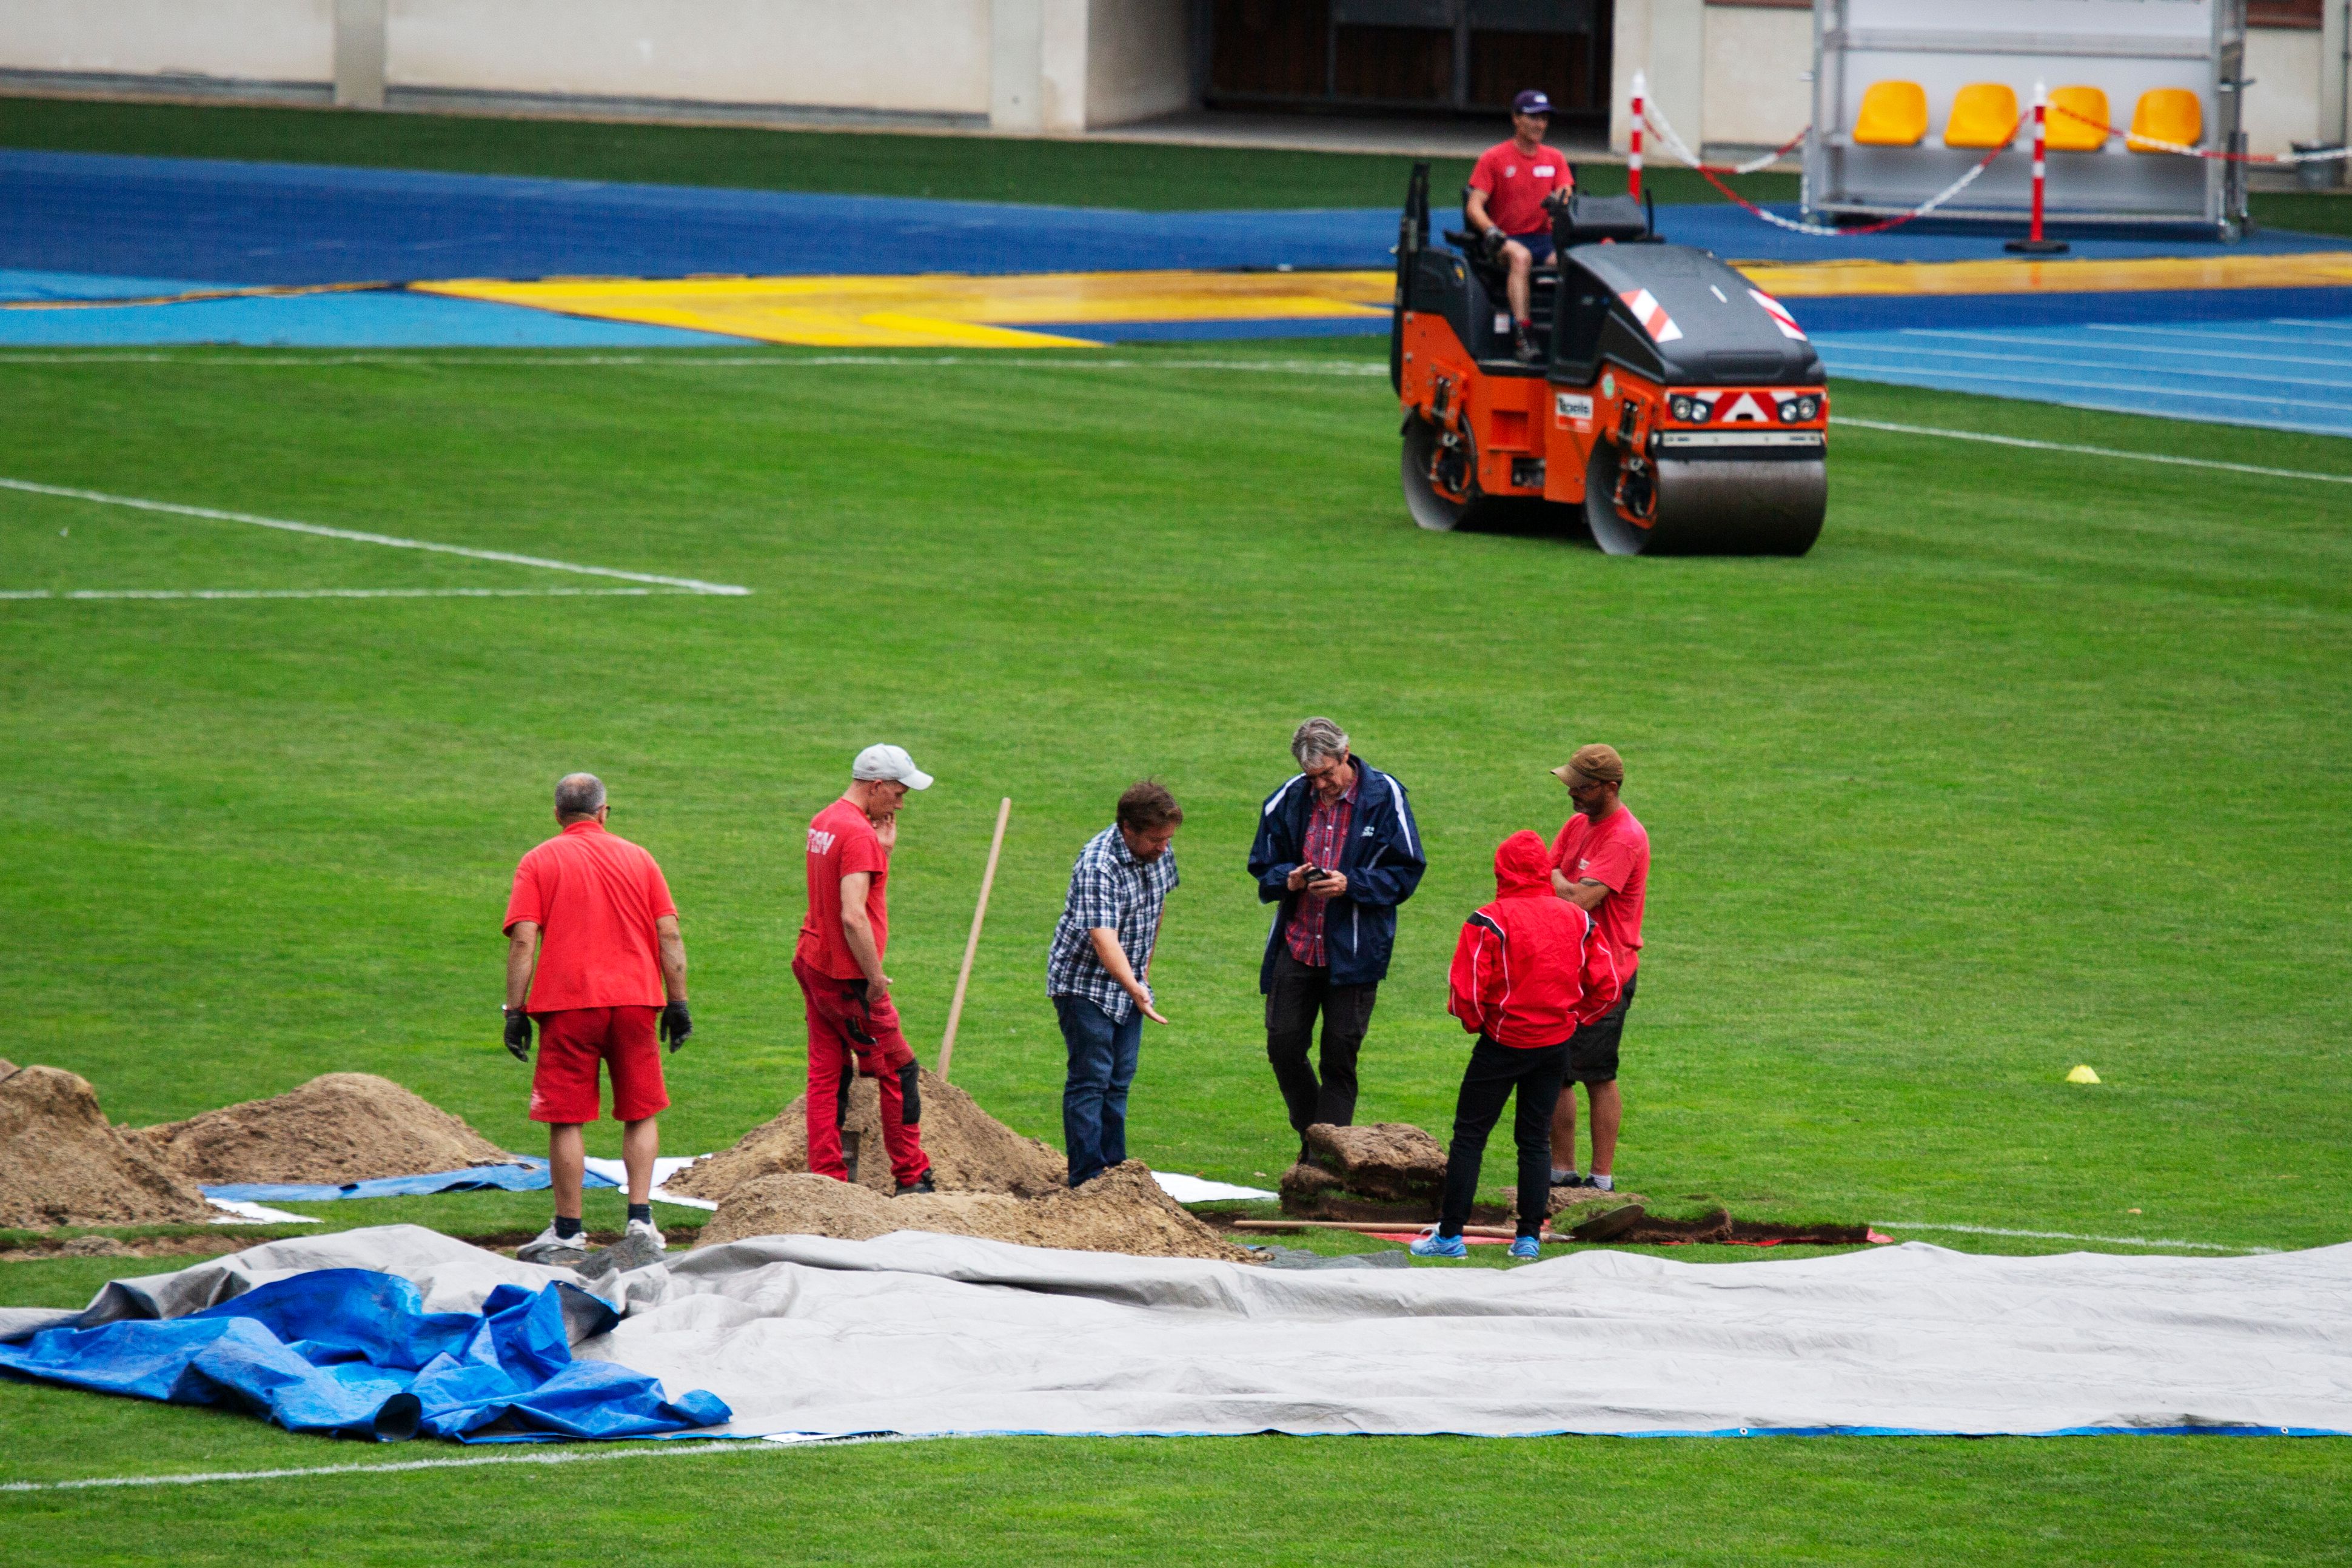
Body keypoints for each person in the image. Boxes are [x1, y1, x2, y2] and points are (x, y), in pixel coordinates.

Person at [503, 773, 692, 1267]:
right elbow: (668, 935)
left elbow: (524, 939)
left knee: (566, 1116)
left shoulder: (539, 860)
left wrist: (515, 1009)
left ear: (557, 815)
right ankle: (641, 1220)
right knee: (641, 1109)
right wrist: (678, 1002)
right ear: (605, 811)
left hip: (567, 1005)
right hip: (635, 1000)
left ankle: (568, 1231)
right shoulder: (639, 858)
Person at [1413, 831, 1620, 1261]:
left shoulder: (1488, 919)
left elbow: (1465, 990)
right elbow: (1605, 985)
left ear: (1501, 868)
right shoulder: (1576, 919)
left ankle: (1450, 1237)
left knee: (1469, 1137)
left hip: (1502, 1042)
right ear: (1542, 867)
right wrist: (1574, 1018)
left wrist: (1482, 1024)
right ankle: (1527, 1238)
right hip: (1554, 1044)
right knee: (1534, 1142)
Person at [1247, 717, 1426, 1158]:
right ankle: (1322, 1144)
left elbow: (1406, 874)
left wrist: (1352, 885)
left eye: (1328, 774)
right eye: (1314, 777)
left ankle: (1320, 1163)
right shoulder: (1288, 799)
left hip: (1356, 952)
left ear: (1347, 754)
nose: (1322, 785)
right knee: (1283, 1046)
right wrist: (1286, 880)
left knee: (1338, 1060)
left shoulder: (1385, 796)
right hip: (1298, 944)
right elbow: (1261, 867)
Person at [794, 744, 937, 1195]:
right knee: (899, 1070)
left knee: (827, 1072)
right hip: (848, 978)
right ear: (875, 785)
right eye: (897, 792)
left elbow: (848, 883)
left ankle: (828, 1180)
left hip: (814, 961)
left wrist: (883, 853)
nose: (901, 802)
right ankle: (912, 1177)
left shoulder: (825, 820)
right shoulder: (856, 835)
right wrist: (875, 978)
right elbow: (854, 915)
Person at [1045, 780, 1184, 1188]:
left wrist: (1142, 974)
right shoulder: (1097, 864)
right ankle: (1088, 1179)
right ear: (1128, 829)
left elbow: (1156, 909)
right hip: (1083, 984)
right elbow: (1102, 938)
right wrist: (1134, 985)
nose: (1164, 847)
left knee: (1119, 1079)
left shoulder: (1159, 850)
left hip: (1128, 983)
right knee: (1092, 1078)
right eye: (1156, 840)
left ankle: (1115, 1177)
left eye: (1167, 839)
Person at [1546, 743, 1650, 1194]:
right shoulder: (1576, 824)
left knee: (1597, 1074)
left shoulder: (1624, 836)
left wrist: (1550, 876)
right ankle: (1561, 1173)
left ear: (1610, 787)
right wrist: (1553, 878)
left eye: (1581, 787)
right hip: (1566, 967)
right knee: (1555, 1071)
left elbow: (1577, 901)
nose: (1571, 794)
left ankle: (1601, 1178)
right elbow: (1546, 878)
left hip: (1605, 974)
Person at [1466, 89, 1575, 363]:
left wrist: (1560, 205)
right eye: (1533, 118)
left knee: (1573, 260)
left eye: (1544, 119)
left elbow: (1566, 194)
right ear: (1516, 119)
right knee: (1521, 257)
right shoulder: (1494, 158)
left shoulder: (1555, 158)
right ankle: (1523, 333)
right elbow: (1474, 205)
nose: (1540, 125)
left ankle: (1572, 331)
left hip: (1545, 240)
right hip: (1508, 239)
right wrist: (1490, 230)